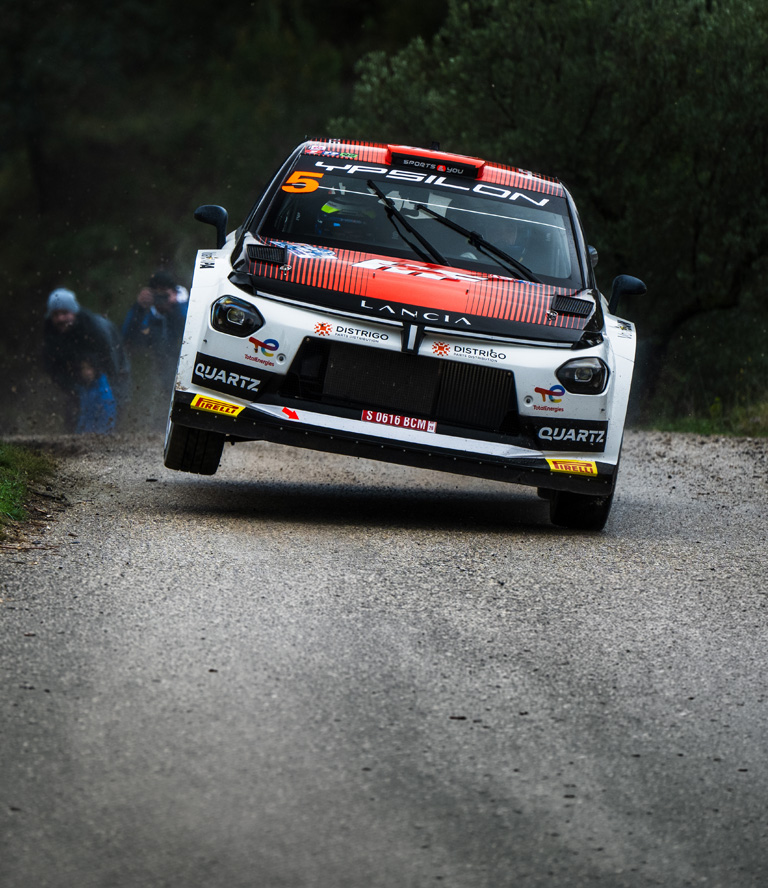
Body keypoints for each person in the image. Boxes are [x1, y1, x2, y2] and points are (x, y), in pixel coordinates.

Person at [42, 288, 130, 431]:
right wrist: (71, 387)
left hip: (109, 371)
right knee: (75, 412)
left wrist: (116, 391)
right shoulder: (50, 333)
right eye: (56, 314)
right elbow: (53, 368)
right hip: (78, 381)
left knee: (111, 403)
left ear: (74, 312)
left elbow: (114, 364)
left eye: (64, 313)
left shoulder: (95, 329)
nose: (60, 319)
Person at [74, 360, 117, 435]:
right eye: (83, 368)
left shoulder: (103, 390)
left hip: (98, 435)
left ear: (95, 369)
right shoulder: (84, 389)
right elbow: (84, 416)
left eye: (89, 368)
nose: (87, 372)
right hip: (86, 434)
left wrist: (99, 434)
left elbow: (108, 415)